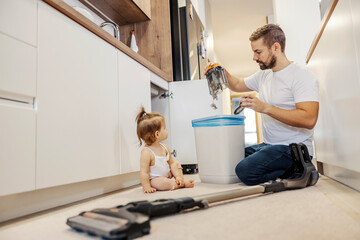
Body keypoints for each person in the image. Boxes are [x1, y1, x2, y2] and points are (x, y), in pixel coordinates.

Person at [205, 24, 319, 186]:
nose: (254, 57)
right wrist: (220, 69)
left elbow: (309, 119)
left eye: (258, 52)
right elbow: (237, 84)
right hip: (270, 145)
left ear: (275, 48)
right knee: (228, 158)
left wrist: (265, 108)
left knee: (244, 171)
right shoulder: (264, 76)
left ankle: (301, 169)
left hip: (294, 149)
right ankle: (289, 171)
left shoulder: (301, 75)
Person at [136, 107, 195, 193]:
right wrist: (147, 187)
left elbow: (171, 163)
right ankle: (179, 185)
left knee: (176, 163)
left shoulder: (165, 147)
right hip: (156, 180)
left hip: (168, 175)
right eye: (165, 128)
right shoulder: (147, 152)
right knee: (161, 183)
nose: (166, 130)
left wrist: (177, 176)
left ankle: (179, 181)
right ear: (157, 134)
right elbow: (144, 172)